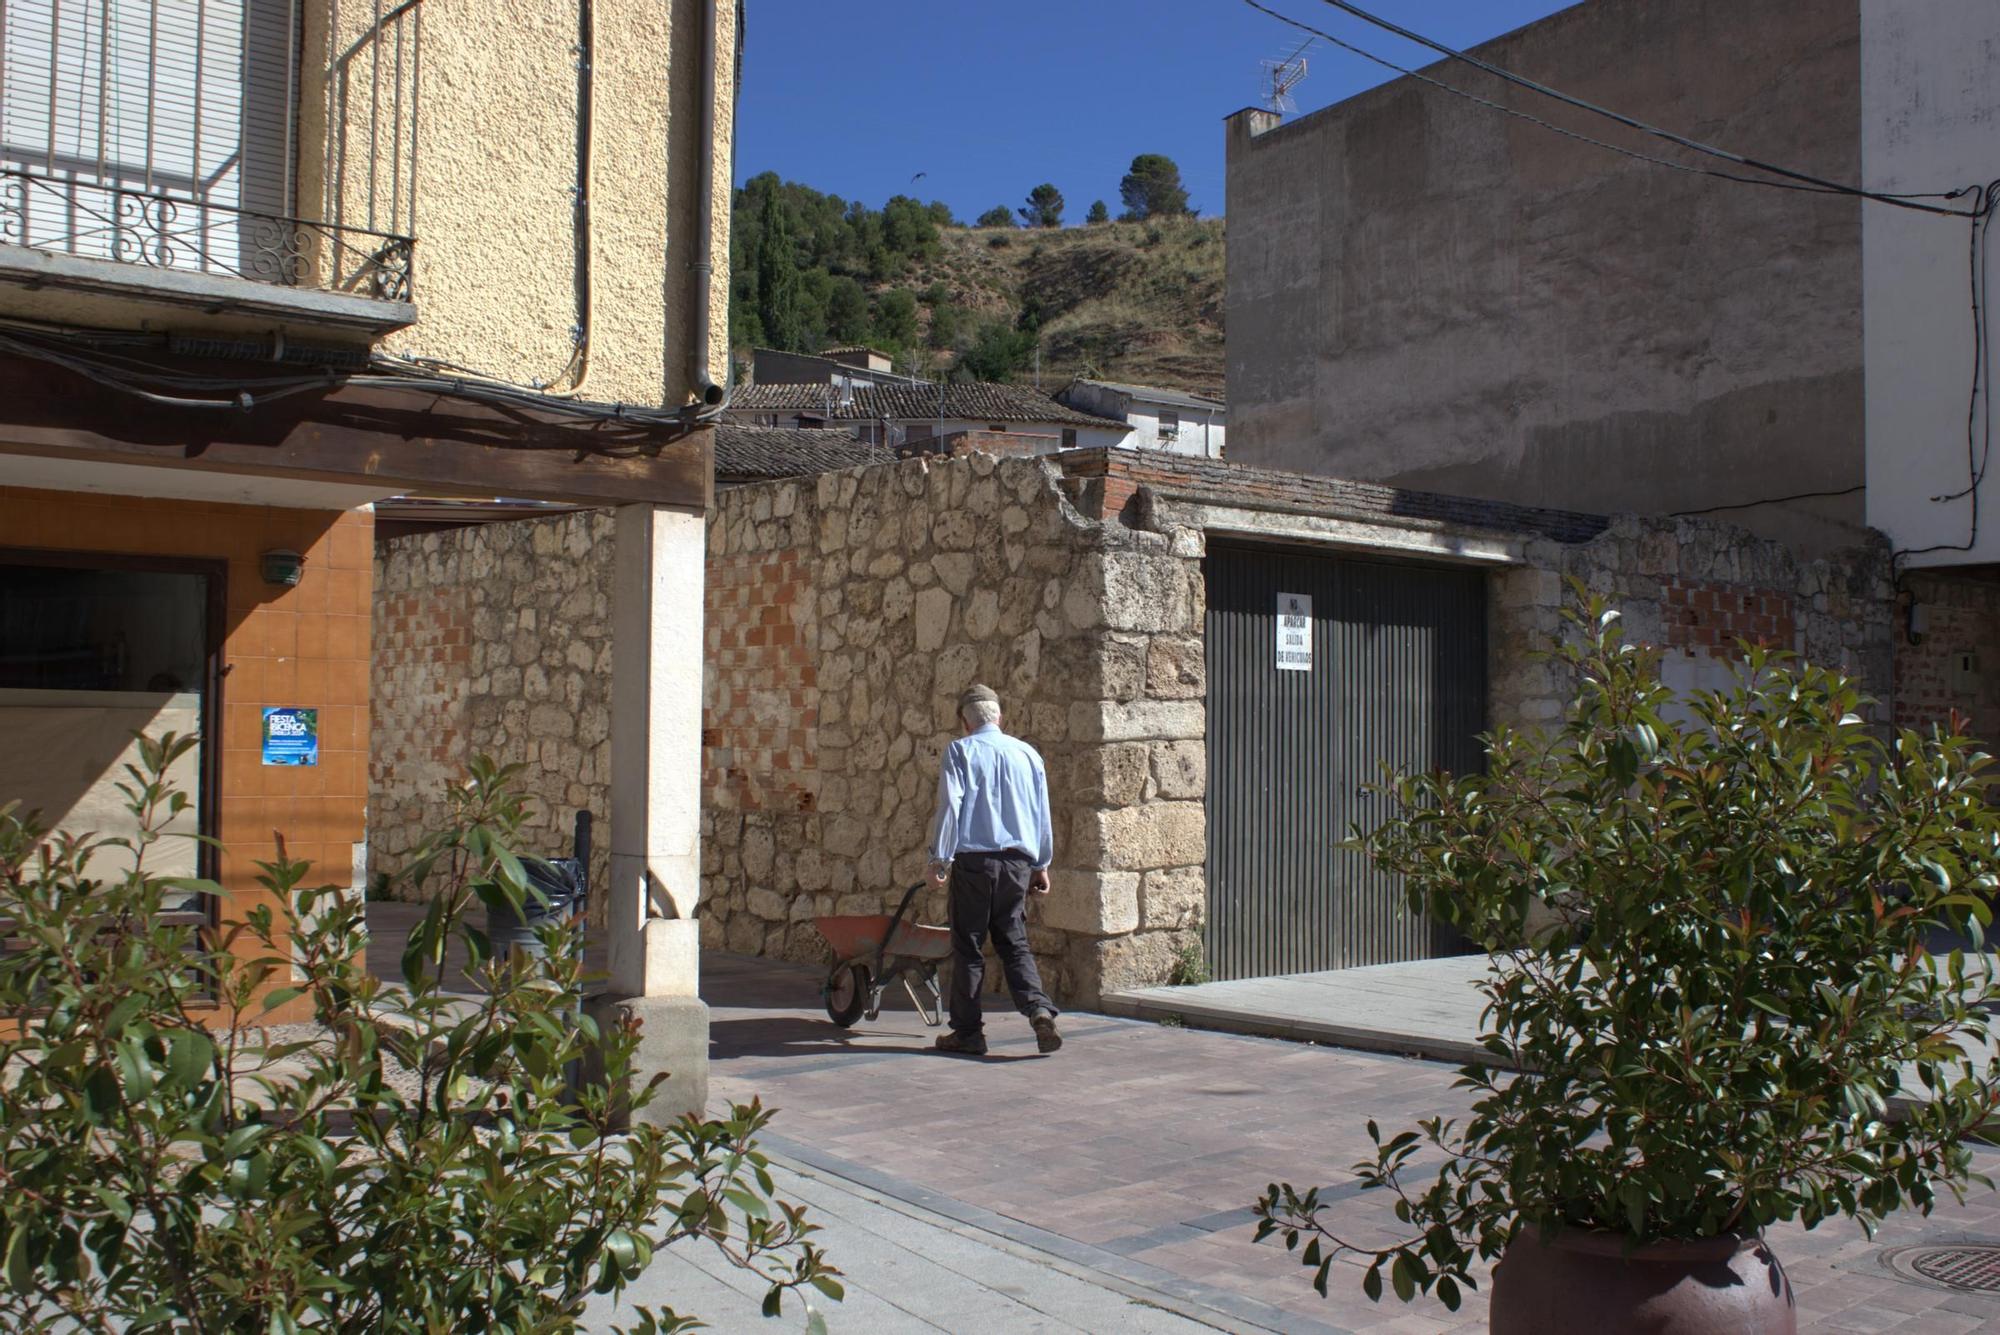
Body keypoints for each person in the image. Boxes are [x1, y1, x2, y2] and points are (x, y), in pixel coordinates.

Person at [928, 683, 1061, 1056]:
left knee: (969, 947)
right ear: (999, 717)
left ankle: (968, 1033)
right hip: (1017, 864)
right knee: (1014, 942)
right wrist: (1041, 864)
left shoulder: (960, 751)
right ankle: (1038, 1009)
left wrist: (939, 860)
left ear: (965, 722)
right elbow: (1041, 813)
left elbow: (950, 807)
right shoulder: (1028, 754)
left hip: (974, 863)